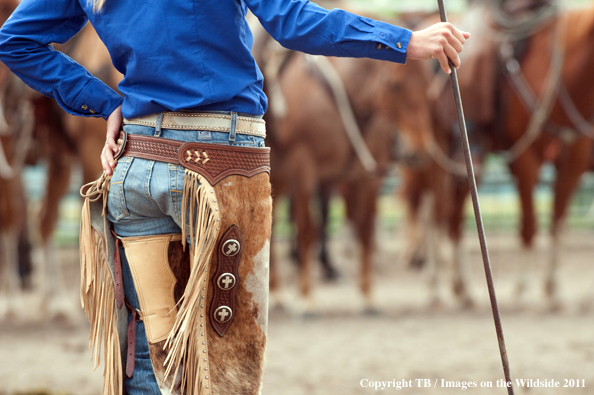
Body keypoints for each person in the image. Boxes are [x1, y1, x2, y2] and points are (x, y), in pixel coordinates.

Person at [0, 0, 469, 394]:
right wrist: (405, 41)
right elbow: (293, 19)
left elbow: (13, 40)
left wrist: (105, 103)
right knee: (225, 370)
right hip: (223, 172)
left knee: (145, 367)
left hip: (138, 163)